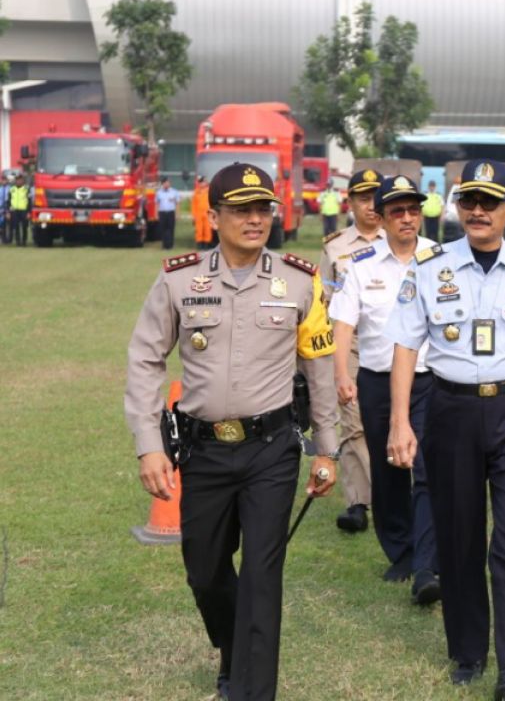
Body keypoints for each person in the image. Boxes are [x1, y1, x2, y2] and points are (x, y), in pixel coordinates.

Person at [125, 162, 339, 701]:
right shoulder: (178, 278)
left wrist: (328, 450)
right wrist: (150, 445)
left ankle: (248, 690)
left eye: (262, 208)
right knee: (205, 571)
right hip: (202, 452)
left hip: (272, 451)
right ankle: (232, 651)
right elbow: (145, 360)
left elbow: (320, 367)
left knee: (263, 579)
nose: (253, 219)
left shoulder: (299, 280)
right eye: (240, 209)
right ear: (213, 215)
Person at [384, 159, 505, 701]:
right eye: (469, 200)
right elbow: (404, 346)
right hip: (450, 412)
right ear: (458, 206)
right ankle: (468, 650)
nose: (478, 211)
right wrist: (400, 421)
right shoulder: (428, 267)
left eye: (490, 202)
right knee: (460, 535)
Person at [329, 175, 441, 602]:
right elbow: (343, 323)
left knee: (429, 469)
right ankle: (402, 550)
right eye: (398, 211)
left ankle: (429, 562)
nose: (407, 218)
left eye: (414, 210)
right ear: (383, 216)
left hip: (431, 380)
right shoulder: (361, 264)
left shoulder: (440, 259)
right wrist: (342, 374)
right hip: (375, 380)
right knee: (389, 468)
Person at [318, 169, 385, 534]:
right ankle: (360, 502)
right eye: (363, 198)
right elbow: (325, 299)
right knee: (354, 426)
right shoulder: (335, 247)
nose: (371, 206)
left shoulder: (408, 242)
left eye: (377, 197)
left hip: (399, 349)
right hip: (352, 345)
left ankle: (396, 496)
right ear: (351, 202)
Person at [156, 177, 180, 250]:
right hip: (162, 212)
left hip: (171, 213)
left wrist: (177, 214)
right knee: (163, 229)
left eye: (168, 183)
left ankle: (170, 245)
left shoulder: (174, 192)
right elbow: (157, 203)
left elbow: (177, 204)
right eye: (165, 183)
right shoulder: (159, 192)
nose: (167, 184)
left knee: (171, 229)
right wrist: (156, 214)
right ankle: (164, 245)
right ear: (162, 184)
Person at [9, 172, 31, 246]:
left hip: (24, 211)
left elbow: (29, 201)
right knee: (16, 227)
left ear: (23, 180)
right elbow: (8, 201)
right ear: (15, 181)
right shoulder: (12, 189)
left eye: (20, 180)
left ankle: (24, 241)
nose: (19, 181)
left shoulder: (26, 189)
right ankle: (18, 242)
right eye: (17, 180)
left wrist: (29, 212)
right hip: (14, 210)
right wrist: (8, 211)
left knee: (24, 227)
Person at [192, 176, 213, 249]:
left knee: (207, 229)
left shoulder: (210, 191)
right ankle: (200, 245)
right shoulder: (196, 192)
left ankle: (207, 245)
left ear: (206, 183)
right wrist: (193, 216)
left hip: (208, 213)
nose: (202, 184)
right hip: (198, 214)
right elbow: (193, 205)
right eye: (201, 182)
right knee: (199, 229)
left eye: (203, 182)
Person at [0, 174, 10, 244]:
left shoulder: (10, 189)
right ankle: (2, 238)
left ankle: (6, 239)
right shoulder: (0, 189)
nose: (3, 181)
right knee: (1, 224)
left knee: (6, 225)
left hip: (7, 208)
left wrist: (7, 210)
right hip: (0, 208)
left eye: (5, 180)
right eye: (2, 180)